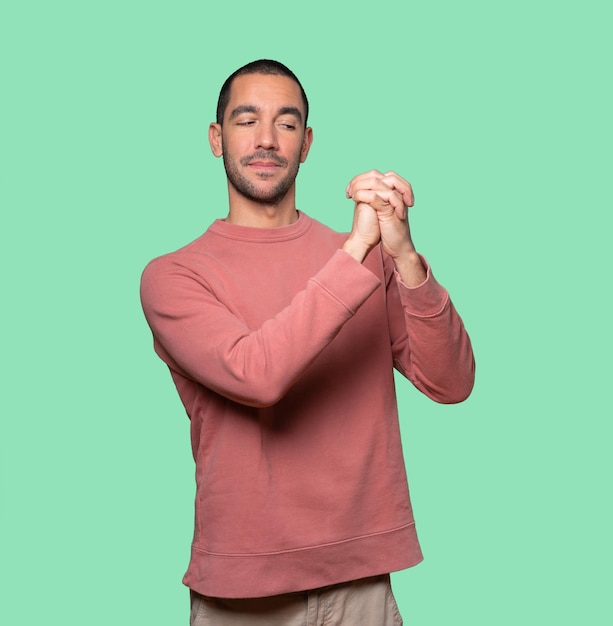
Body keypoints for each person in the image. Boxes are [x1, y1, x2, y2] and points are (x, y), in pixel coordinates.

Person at [140, 59, 475, 625]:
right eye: (246, 121)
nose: (267, 139)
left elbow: (451, 383)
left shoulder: (370, 256)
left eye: (287, 123)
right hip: (245, 589)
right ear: (216, 138)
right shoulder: (174, 276)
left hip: (364, 577)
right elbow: (257, 375)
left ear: (308, 142)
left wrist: (405, 260)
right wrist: (354, 254)